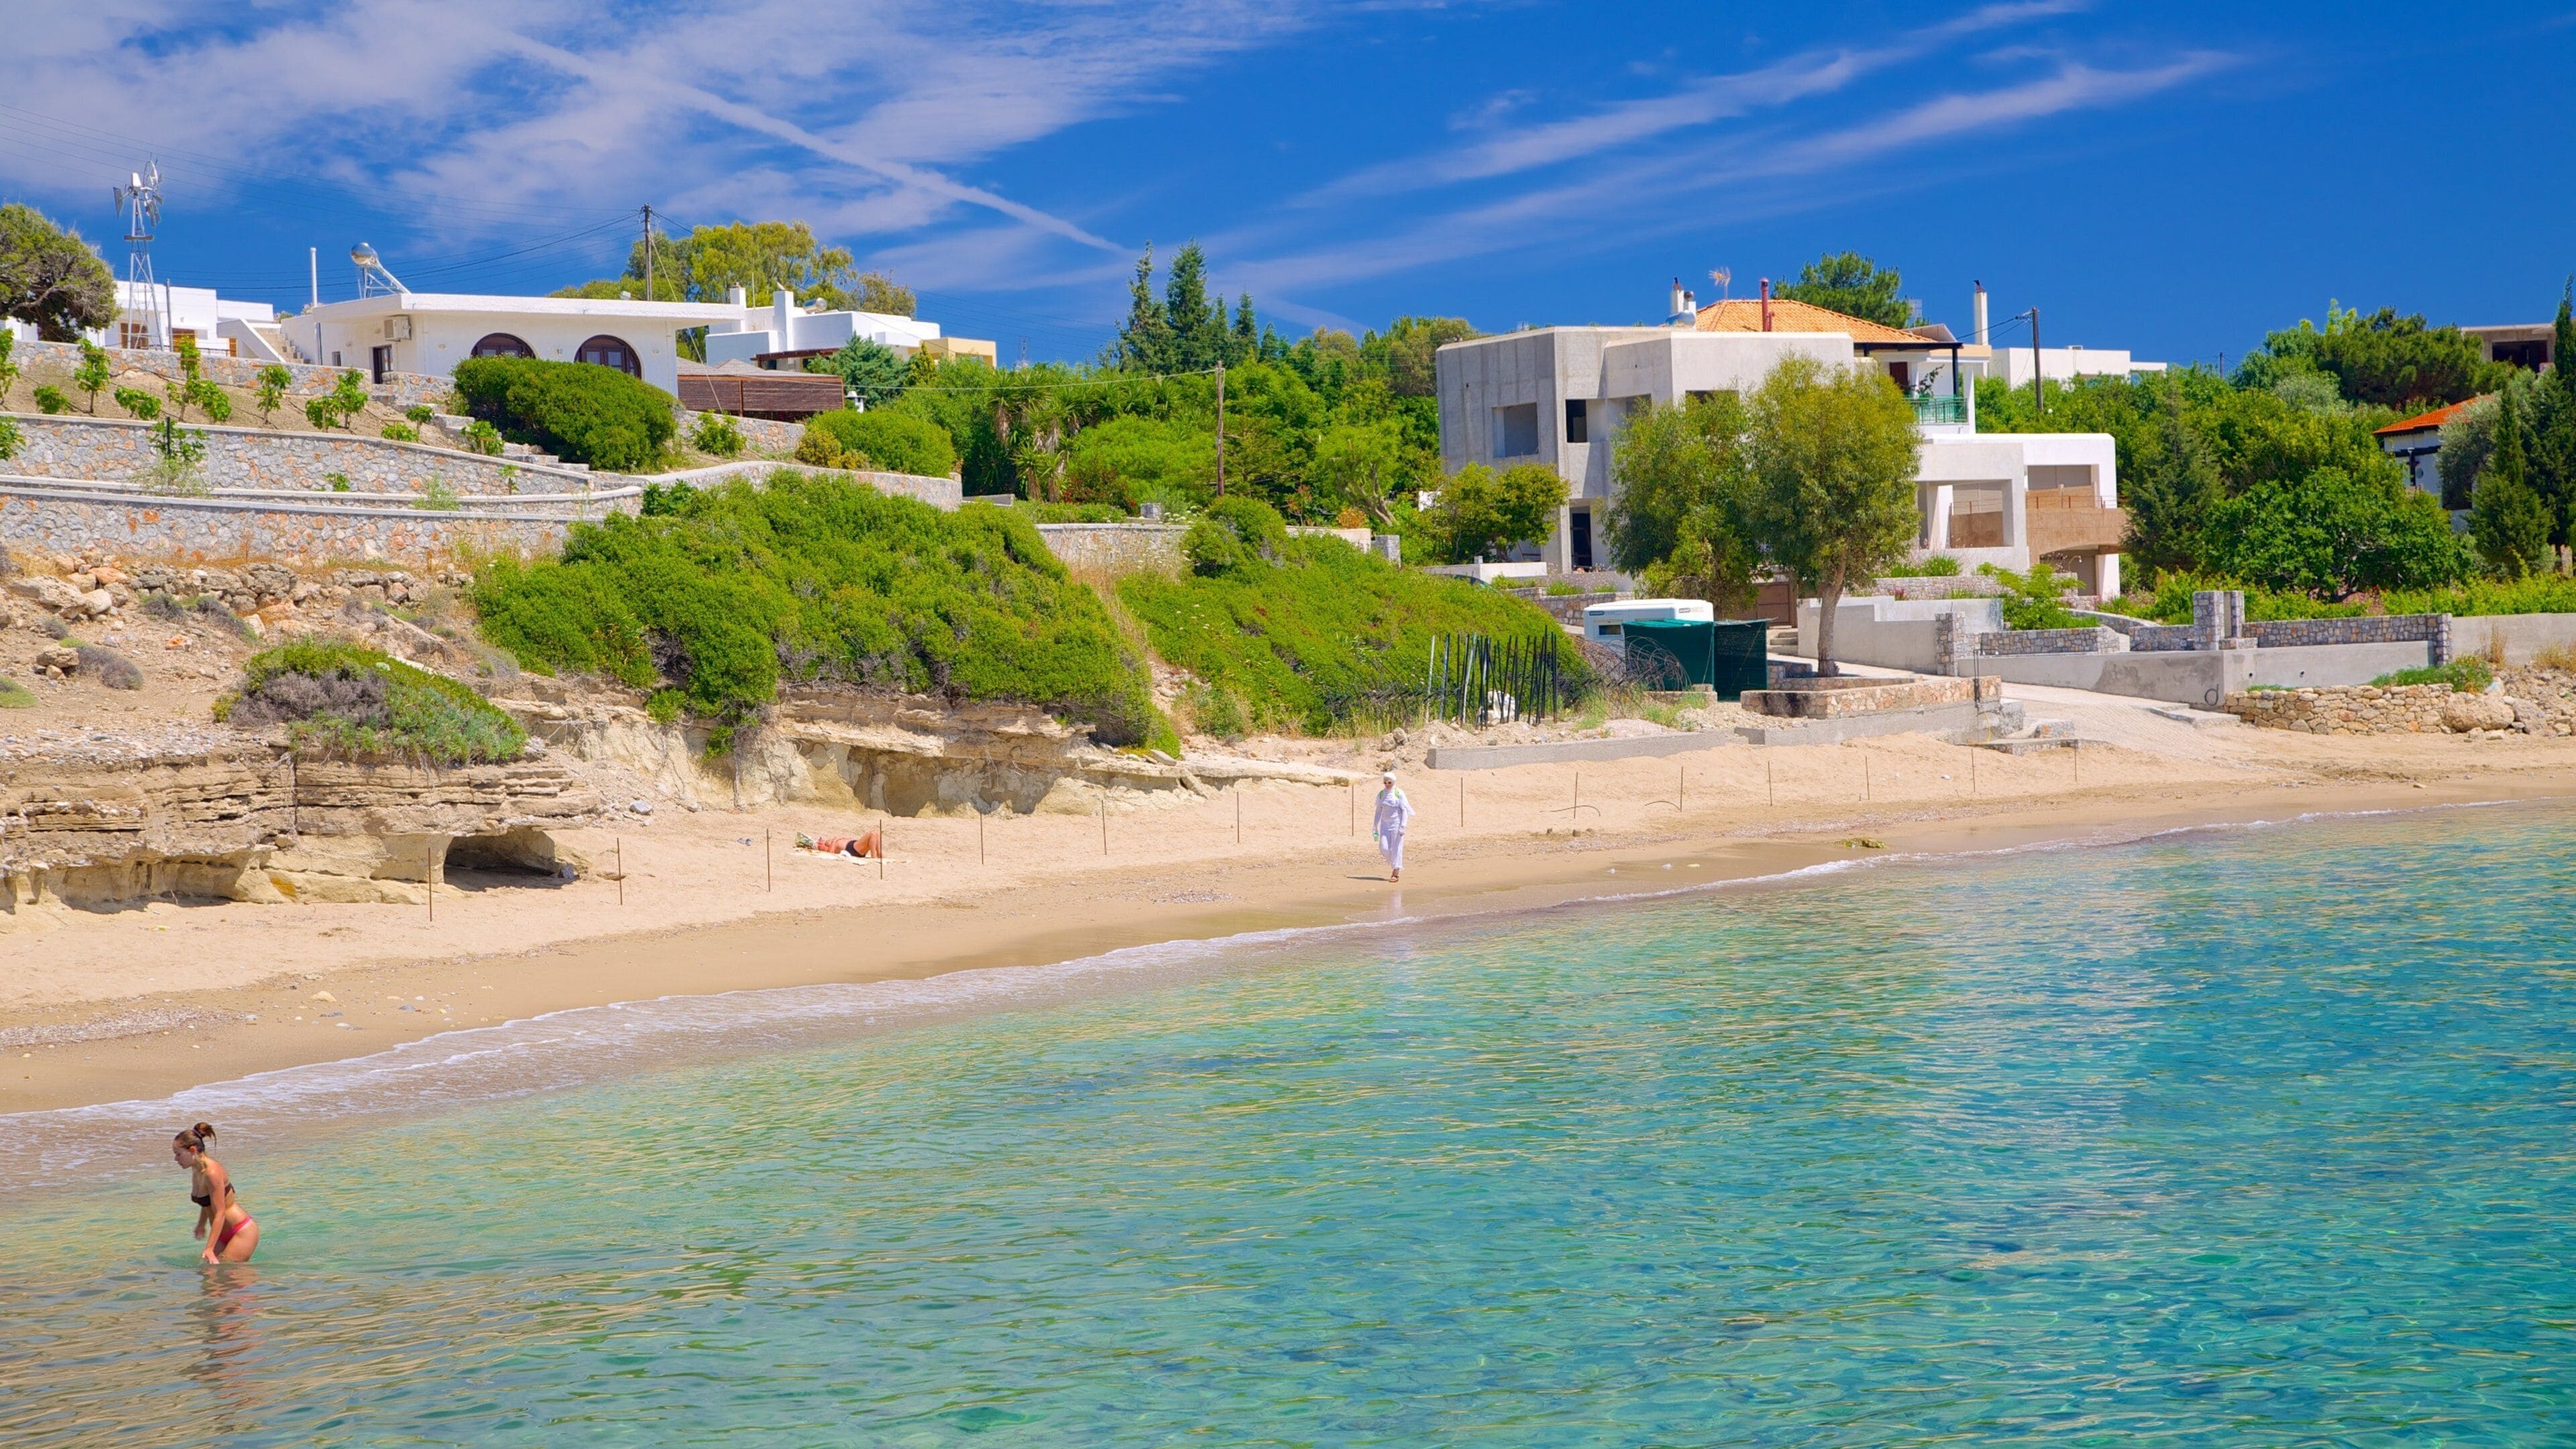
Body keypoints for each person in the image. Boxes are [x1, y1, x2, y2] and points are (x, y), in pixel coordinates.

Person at [174, 1122, 258, 1265]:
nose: (176, 1159)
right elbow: (207, 1202)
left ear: (193, 1150)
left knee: (223, 1274)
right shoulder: (197, 1170)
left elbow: (220, 1212)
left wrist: (209, 1248)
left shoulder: (212, 1173)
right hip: (222, 1233)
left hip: (241, 1231)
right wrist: (201, 1224)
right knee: (209, 1275)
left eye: (178, 1154)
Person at [1373, 771, 1413, 882]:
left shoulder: (1399, 793)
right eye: (1385, 782)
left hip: (1396, 824)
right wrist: (1375, 826)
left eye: (1389, 782)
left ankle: (1396, 872)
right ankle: (1396, 864)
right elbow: (1378, 811)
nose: (1387, 784)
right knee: (1384, 847)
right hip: (1385, 825)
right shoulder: (1381, 794)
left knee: (1396, 848)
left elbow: (1404, 810)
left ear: (1393, 782)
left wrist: (1403, 826)